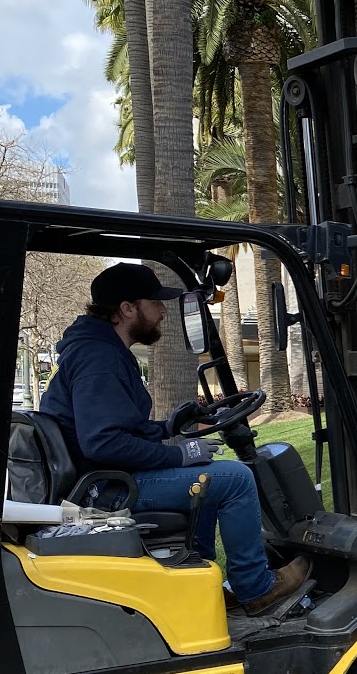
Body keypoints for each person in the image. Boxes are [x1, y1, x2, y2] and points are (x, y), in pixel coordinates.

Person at [40, 263, 309, 615]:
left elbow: (114, 427)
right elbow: (102, 443)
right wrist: (180, 456)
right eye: (155, 302)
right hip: (106, 490)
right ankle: (256, 588)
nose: (163, 310)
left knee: (212, 480)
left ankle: (198, 582)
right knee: (237, 479)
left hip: (98, 478)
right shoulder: (99, 358)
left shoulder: (94, 349)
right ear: (127, 309)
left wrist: (167, 427)